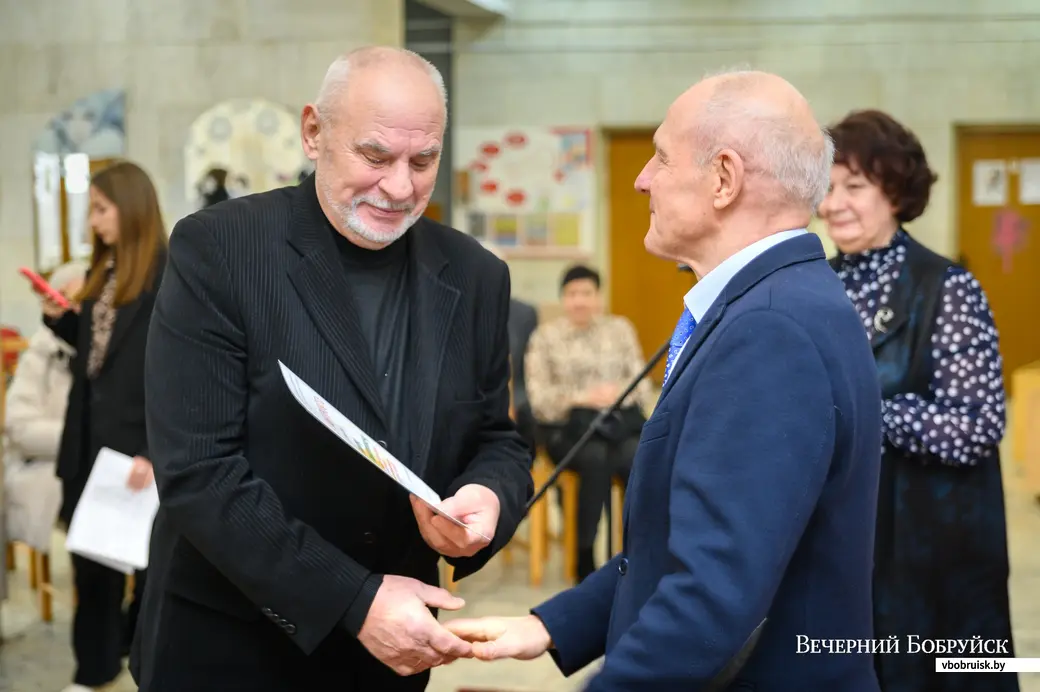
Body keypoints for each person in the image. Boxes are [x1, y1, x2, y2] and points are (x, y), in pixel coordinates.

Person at [444, 71, 884, 691]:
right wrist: (552, 625)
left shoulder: (770, 330)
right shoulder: (775, 302)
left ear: (723, 179)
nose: (641, 178)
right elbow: (683, 542)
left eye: (660, 156)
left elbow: (712, 597)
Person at [131, 46, 533, 692]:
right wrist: (354, 599)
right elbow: (199, 473)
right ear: (314, 132)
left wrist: (485, 499)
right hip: (230, 646)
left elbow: (497, 439)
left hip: (387, 662)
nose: (400, 187)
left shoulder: (477, 275)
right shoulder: (221, 249)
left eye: (422, 161)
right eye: (375, 156)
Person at [818, 109, 1018, 692]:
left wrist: (864, 414)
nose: (834, 205)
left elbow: (977, 425)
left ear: (896, 191)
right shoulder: (817, 284)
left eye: (854, 186)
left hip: (935, 545)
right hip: (844, 538)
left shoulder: (947, 287)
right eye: (826, 189)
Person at [39, 161, 167, 692]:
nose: (93, 221)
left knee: (148, 575)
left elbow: (170, 371)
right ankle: (94, 671)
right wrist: (59, 317)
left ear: (130, 207)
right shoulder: (105, 271)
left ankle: (143, 665)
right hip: (89, 444)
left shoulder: (166, 273)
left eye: (100, 209)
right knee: (92, 572)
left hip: (136, 452)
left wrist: (150, 449)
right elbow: (100, 356)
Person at [524, 264, 654, 580]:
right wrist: (582, 397)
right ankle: (585, 557)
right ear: (563, 299)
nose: (580, 301)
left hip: (616, 425)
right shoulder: (546, 337)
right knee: (595, 458)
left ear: (598, 297)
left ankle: (640, 553)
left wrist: (615, 395)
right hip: (566, 431)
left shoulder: (619, 329)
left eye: (586, 293)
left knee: (637, 455)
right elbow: (539, 399)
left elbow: (642, 383)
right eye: (572, 294)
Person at [4, 261, 86, 554]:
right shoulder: (42, 351)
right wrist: (80, 437)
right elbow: (19, 426)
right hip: (48, 466)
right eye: (77, 301)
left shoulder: (109, 352)